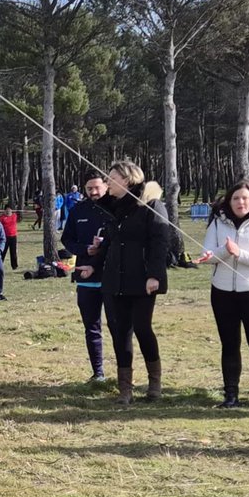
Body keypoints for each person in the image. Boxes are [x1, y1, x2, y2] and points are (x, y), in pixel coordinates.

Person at [80, 160, 169, 405]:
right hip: (113, 281)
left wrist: (154, 275)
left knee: (142, 328)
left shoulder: (151, 205)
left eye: (112, 177)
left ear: (127, 180)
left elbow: (159, 242)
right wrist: (93, 265)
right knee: (120, 333)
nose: (107, 182)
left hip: (141, 281)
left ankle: (154, 384)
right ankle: (125, 390)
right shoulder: (114, 208)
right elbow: (109, 243)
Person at [196, 182, 249, 409]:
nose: (240, 203)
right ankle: (231, 395)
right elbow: (207, 254)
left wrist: (239, 253)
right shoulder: (216, 223)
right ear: (228, 201)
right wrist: (224, 252)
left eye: (244, 198)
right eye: (235, 199)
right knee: (229, 344)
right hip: (222, 292)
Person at [61, 173, 110, 383]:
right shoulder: (77, 210)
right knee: (92, 326)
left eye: (97, 187)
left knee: (119, 326)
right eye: (89, 188)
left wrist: (100, 252)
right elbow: (67, 240)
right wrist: (85, 249)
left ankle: (124, 374)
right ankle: (98, 372)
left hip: (111, 276)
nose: (94, 192)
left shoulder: (115, 210)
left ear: (106, 187)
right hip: (85, 277)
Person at [0, 205, 19, 269]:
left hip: (13, 237)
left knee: (13, 252)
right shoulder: (2, 218)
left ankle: (14, 266)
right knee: (3, 251)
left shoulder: (14, 216)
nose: (8, 211)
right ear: (5, 210)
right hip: (5, 237)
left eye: (9, 209)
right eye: (7, 210)